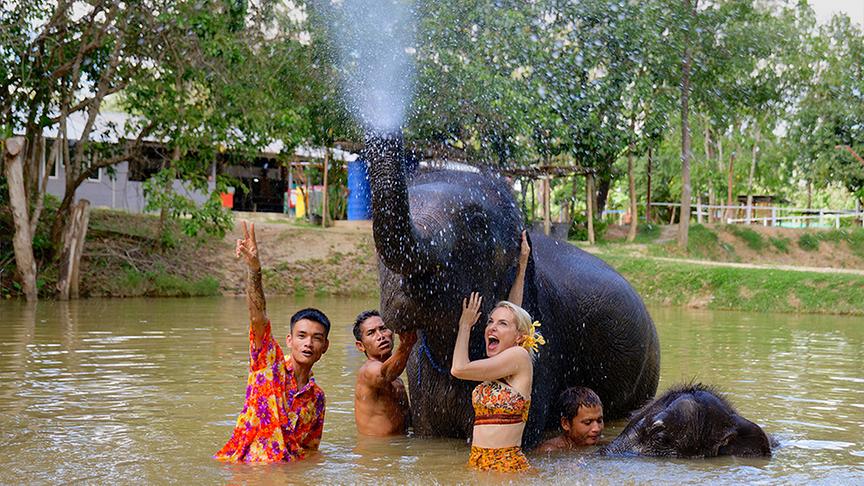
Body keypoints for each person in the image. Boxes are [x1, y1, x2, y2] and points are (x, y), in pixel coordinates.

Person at [215, 221, 331, 463]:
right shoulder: (268, 364)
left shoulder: (317, 398)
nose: (308, 343)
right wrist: (254, 270)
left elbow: (310, 450)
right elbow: (258, 317)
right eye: (301, 336)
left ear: (325, 347)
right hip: (247, 470)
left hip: (285, 472)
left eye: (316, 338)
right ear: (289, 340)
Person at [450, 231, 542, 473]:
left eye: (501, 324)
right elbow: (513, 312)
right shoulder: (501, 361)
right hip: (478, 464)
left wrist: (465, 325)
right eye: (490, 321)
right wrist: (521, 267)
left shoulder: (519, 357)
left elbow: (458, 369)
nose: (492, 327)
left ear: (519, 337)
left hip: (507, 467)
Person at [352, 310, 418, 436]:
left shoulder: (397, 379)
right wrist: (406, 345)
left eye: (383, 329)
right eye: (371, 333)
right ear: (360, 346)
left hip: (400, 445)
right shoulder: (367, 372)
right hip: (376, 448)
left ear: (392, 333)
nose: (380, 336)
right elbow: (386, 374)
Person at [537, 387, 605, 452]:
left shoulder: (600, 443)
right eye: (588, 422)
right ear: (566, 424)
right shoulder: (550, 451)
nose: (597, 429)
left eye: (599, 421)